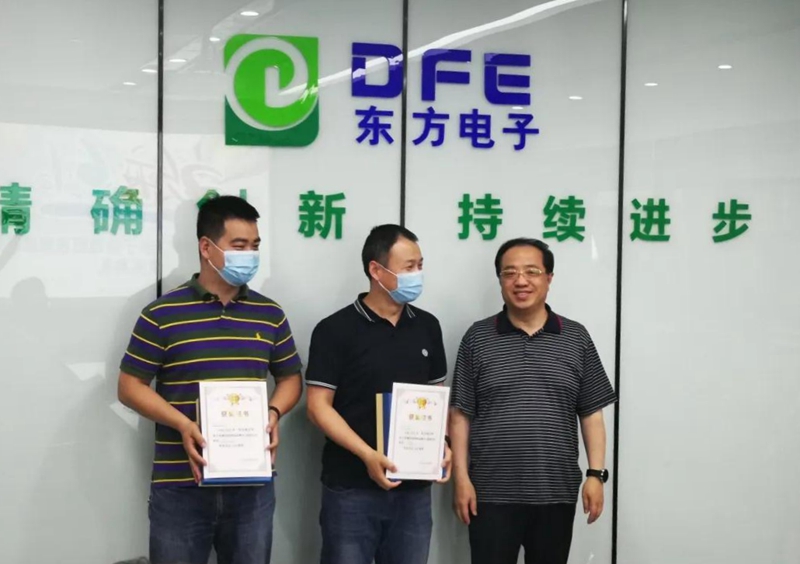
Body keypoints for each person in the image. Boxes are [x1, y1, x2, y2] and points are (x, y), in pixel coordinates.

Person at [117, 196, 303, 564]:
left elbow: (290, 378)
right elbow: (129, 387)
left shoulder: (269, 313)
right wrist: (183, 424)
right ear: (206, 247)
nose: (249, 255)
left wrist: (273, 413)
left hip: (251, 484)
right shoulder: (162, 314)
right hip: (181, 485)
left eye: (254, 246)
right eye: (239, 246)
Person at [449, 237, 617, 564]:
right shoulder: (477, 338)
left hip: (555, 491)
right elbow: (460, 416)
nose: (520, 281)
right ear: (500, 280)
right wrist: (461, 479)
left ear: (549, 278)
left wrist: (595, 475)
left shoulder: (576, 337)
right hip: (489, 494)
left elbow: (591, 414)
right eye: (509, 273)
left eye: (532, 271)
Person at [305, 224, 452, 564]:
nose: (417, 274)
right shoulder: (334, 329)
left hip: (413, 492)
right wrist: (368, 455)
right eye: (409, 267)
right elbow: (317, 407)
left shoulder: (428, 326)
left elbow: (435, 398)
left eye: (420, 265)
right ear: (376, 270)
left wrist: (441, 444)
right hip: (351, 489)